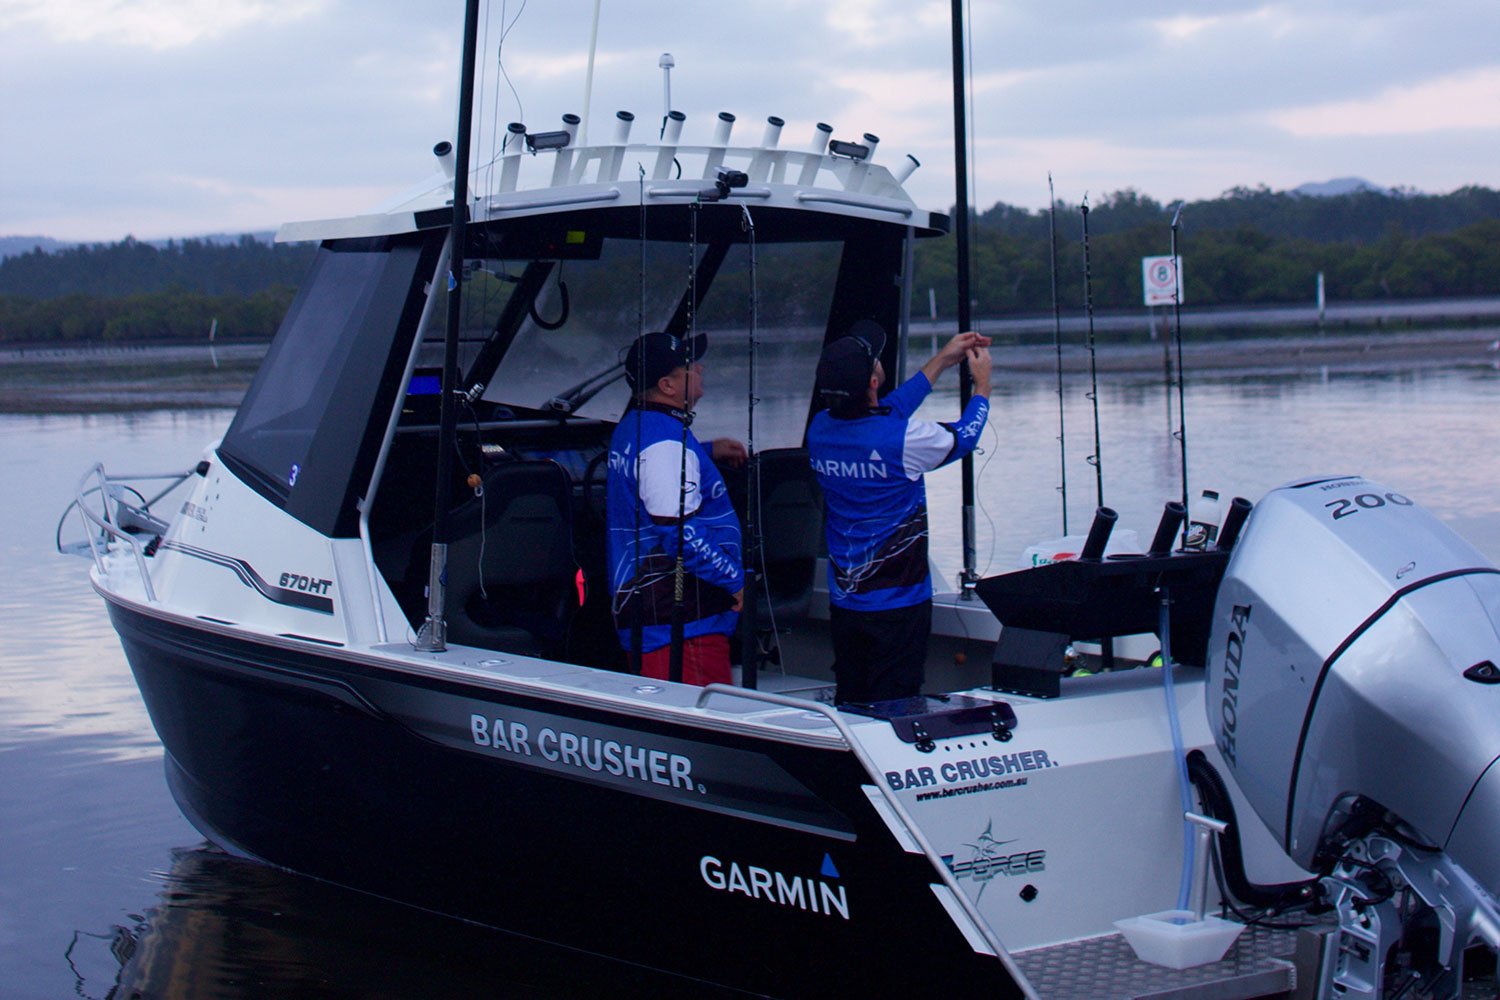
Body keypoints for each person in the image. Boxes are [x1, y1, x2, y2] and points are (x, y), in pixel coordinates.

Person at [806, 320, 992, 704]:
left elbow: (889, 410)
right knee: (897, 701)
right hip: (899, 603)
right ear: (873, 383)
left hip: (846, 600)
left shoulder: (821, 429)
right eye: (875, 362)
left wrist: (942, 360)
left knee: (853, 696)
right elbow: (965, 436)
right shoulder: (903, 440)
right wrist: (983, 386)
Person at [606, 331, 747, 686]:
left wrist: (707, 451)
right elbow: (681, 535)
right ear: (668, 386)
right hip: (682, 627)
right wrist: (734, 581)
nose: (699, 368)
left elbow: (657, 471)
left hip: (655, 618)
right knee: (710, 729)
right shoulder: (666, 445)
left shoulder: (637, 426)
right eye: (689, 367)